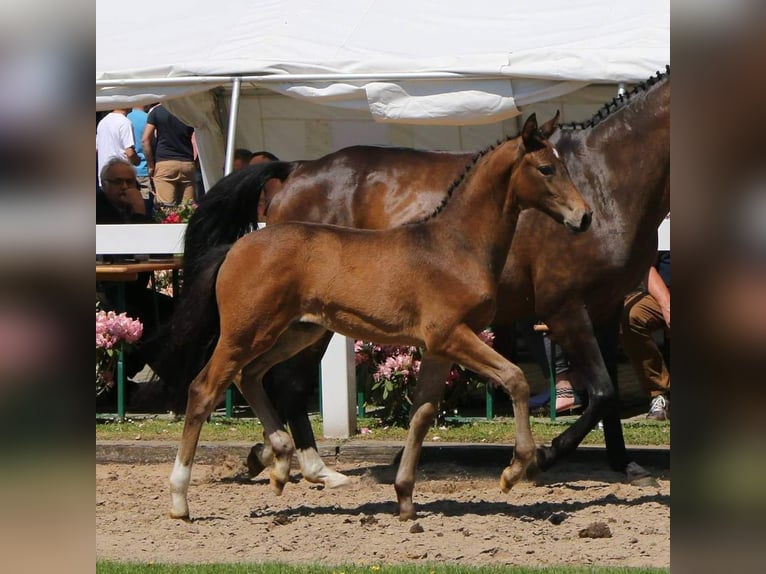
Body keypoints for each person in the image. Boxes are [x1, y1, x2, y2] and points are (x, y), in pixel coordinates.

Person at [96, 158, 175, 404]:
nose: (125, 187)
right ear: (103, 184)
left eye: (130, 182)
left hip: (129, 288)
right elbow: (126, 246)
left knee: (172, 308)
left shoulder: (133, 206)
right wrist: (140, 214)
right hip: (103, 289)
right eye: (118, 182)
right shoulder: (99, 208)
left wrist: (141, 213)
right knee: (139, 316)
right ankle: (117, 383)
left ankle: (180, 375)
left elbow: (155, 251)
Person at [621, 251, 671, 420]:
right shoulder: (662, 225)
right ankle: (658, 392)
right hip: (663, 292)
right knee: (630, 316)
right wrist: (666, 303)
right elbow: (646, 265)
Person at [141, 104, 196, 207]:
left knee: (165, 209)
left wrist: (151, 165)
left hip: (165, 162)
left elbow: (145, 140)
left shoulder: (157, 111)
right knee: (188, 209)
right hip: (187, 162)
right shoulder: (189, 111)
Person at [96, 108, 140, 186]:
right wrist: (137, 161)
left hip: (104, 175)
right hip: (121, 177)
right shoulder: (125, 122)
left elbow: (97, 149)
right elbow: (130, 153)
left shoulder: (102, 122)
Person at [127, 105, 154, 214]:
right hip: (144, 168)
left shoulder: (126, 118)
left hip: (129, 168)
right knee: (146, 203)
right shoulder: (148, 118)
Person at [248, 150, 281, 222]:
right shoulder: (246, 198)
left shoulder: (287, 198)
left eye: (261, 170)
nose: (255, 174)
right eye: (251, 170)